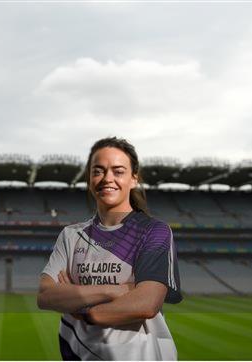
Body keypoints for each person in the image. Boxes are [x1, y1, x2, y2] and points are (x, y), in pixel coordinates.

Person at [37, 137, 182, 361]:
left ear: (134, 178)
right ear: (89, 179)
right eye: (98, 171)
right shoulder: (71, 235)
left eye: (118, 171)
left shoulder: (155, 232)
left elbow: (145, 304)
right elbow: (46, 295)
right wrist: (116, 290)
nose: (107, 179)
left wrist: (79, 305)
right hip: (79, 354)